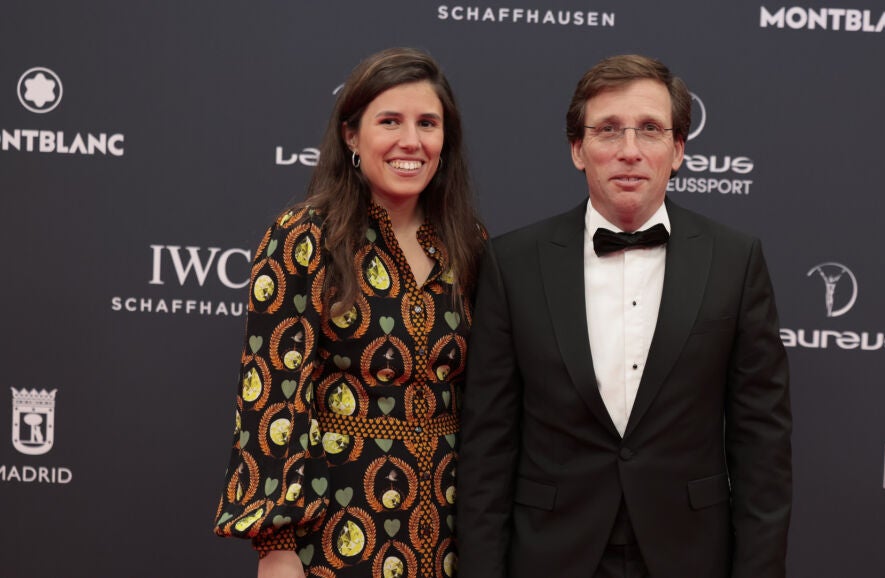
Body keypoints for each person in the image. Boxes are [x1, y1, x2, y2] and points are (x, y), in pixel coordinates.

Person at [457, 55, 792, 577]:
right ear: (577, 149)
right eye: (608, 130)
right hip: (549, 555)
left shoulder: (735, 261)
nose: (629, 150)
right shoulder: (513, 263)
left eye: (650, 129)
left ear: (677, 150)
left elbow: (762, 449)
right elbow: (487, 447)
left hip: (690, 555)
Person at [213, 47, 485, 578]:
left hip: (447, 529)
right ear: (351, 136)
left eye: (428, 124)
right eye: (390, 121)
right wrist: (277, 546)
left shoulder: (467, 243)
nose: (411, 141)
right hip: (335, 529)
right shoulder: (304, 236)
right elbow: (271, 396)